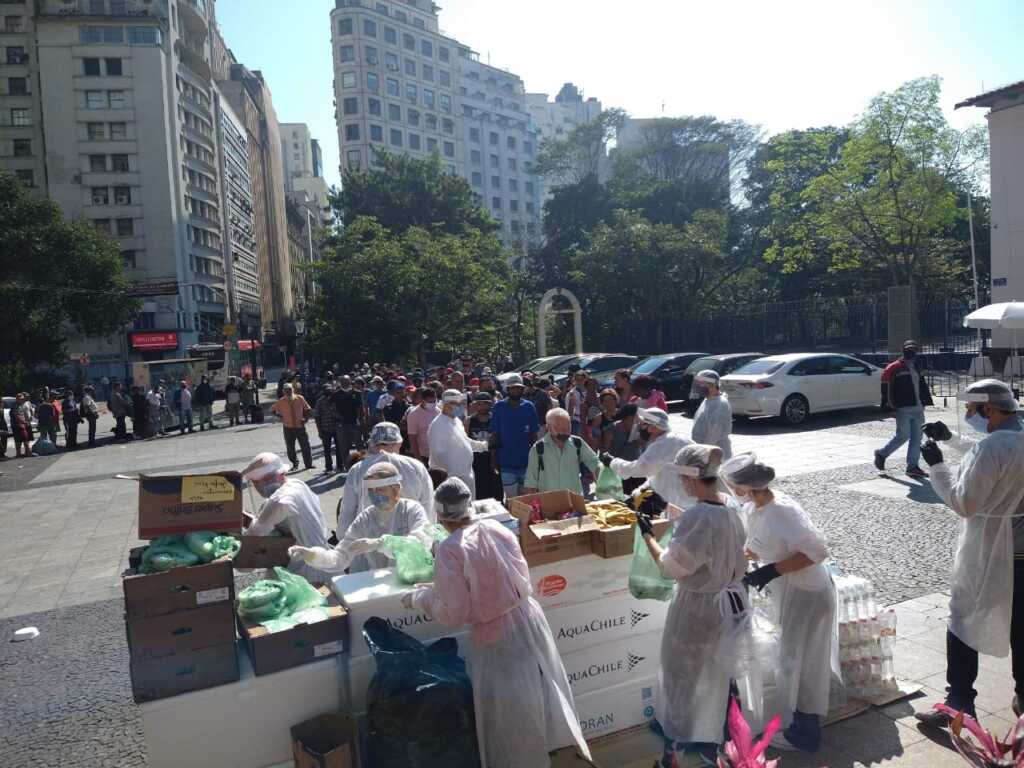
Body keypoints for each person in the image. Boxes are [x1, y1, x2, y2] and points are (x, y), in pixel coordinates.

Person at [403, 478, 591, 768]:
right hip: (529, 619)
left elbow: (453, 613)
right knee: (537, 697)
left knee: (510, 717)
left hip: (499, 636)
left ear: (439, 514)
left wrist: (421, 598)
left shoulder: (449, 550)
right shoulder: (495, 527)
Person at [915, 379, 1024, 728]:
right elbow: (996, 459)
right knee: (1022, 629)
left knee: (962, 621)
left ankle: (959, 703)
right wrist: (951, 440)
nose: (966, 414)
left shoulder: (990, 448)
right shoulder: (1012, 440)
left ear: (988, 409)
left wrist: (936, 466)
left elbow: (964, 502)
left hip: (990, 550)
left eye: (970, 409)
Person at [636, 444, 749, 767]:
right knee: (714, 678)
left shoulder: (699, 516)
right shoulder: (730, 505)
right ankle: (709, 743)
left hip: (698, 608)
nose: (683, 486)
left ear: (691, 480)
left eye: (684, 481)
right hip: (728, 604)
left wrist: (648, 536)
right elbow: (708, 530)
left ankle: (673, 752)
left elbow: (671, 566)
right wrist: (669, 508)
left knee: (680, 677)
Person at [721, 453, 835, 752]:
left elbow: (817, 550)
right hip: (790, 590)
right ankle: (798, 723)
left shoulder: (782, 509)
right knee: (792, 660)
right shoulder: (755, 506)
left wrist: (771, 570)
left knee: (802, 663)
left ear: (746, 486)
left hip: (807, 593)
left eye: (733, 486)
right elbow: (757, 544)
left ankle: (805, 734)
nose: (733, 491)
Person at [291, 463, 431, 574]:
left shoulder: (411, 510)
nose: (375, 495)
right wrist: (313, 556)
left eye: (380, 490)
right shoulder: (367, 517)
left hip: (409, 579)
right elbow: (341, 556)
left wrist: (380, 543)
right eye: (371, 491)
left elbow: (420, 543)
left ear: (395, 489)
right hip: (376, 584)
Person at [241, 452, 331, 582]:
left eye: (256, 483)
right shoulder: (297, 484)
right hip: (322, 557)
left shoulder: (279, 500)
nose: (258, 486)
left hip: (302, 569)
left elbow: (256, 534)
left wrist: (240, 560)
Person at [337, 421, 435, 534]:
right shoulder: (416, 467)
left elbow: (347, 510)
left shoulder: (358, 470)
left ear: (372, 444)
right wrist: (427, 540)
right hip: (409, 544)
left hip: (369, 541)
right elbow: (428, 505)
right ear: (400, 443)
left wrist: (343, 539)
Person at [601, 407, 693, 509]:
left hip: (682, 504)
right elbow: (656, 473)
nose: (639, 428)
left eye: (643, 424)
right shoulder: (675, 439)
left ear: (653, 426)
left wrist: (612, 462)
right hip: (686, 500)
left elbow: (637, 469)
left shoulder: (661, 445)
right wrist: (638, 492)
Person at [875, 340, 933, 479]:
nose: (911, 351)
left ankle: (912, 467)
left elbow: (922, 385)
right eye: (909, 349)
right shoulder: (893, 368)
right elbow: (886, 388)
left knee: (917, 439)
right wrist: (890, 407)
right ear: (903, 350)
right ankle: (882, 454)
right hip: (903, 409)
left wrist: (925, 402)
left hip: (918, 408)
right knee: (903, 436)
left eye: (914, 349)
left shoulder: (916, 367)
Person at [523, 408, 601, 496]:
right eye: (560, 429)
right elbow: (530, 483)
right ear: (548, 427)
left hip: (574, 502)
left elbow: (595, 463)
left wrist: (603, 477)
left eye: (568, 428)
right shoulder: (537, 449)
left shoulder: (577, 443)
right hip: (549, 504)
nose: (565, 432)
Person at [428, 389, 489, 497]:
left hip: (466, 474)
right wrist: (451, 478)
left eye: (461, 403)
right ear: (446, 405)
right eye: (457, 404)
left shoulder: (456, 421)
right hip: (452, 479)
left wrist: (484, 445)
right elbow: (439, 455)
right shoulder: (438, 425)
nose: (461, 407)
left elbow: (465, 442)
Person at [489, 374, 540, 501]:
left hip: (526, 461)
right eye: (513, 388)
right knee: (512, 499)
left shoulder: (529, 406)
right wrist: (493, 459)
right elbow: (495, 434)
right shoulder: (499, 407)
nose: (516, 390)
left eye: (518, 388)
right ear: (507, 389)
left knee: (526, 499)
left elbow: (534, 435)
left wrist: (537, 458)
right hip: (506, 462)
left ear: (522, 389)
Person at [270, 383, 314, 472]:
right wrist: (280, 416)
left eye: (290, 389)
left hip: (300, 427)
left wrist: (305, 419)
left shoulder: (300, 398)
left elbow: (308, 409)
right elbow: (272, 410)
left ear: (292, 390)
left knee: (305, 446)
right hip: (288, 427)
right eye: (286, 390)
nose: (288, 391)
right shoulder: (281, 401)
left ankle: (308, 464)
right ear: (283, 391)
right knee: (290, 447)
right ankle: (295, 463)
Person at [467, 392, 503, 501]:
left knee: (496, 491)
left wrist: (495, 460)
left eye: (485, 403)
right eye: (479, 403)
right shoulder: (469, 421)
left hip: (494, 459)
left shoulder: (496, 420)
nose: (482, 406)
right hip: (476, 461)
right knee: (479, 492)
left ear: (490, 404)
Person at [691, 370, 733, 460]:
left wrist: (702, 454)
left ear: (712, 385)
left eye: (701, 383)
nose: (698, 386)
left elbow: (714, 433)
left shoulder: (720, 404)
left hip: (715, 454)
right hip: (706, 450)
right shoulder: (708, 400)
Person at [313, 382, 341, 474]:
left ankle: (340, 466)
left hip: (337, 428)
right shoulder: (320, 401)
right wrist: (319, 431)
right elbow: (317, 417)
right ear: (323, 391)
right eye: (326, 390)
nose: (328, 391)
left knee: (339, 448)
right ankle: (329, 468)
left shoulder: (337, 399)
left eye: (329, 389)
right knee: (327, 450)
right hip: (325, 429)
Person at [406, 387, 440, 463]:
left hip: (439, 455)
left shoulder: (438, 410)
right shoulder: (414, 414)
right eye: (429, 402)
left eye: (434, 401)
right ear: (422, 400)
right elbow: (412, 438)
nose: (433, 404)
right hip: (424, 456)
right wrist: (418, 459)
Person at [333, 375, 364, 452]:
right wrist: (336, 416)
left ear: (350, 381)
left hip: (354, 422)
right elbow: (332, 407)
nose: (345, 383)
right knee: (343, 446)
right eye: (343, 381)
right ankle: (346, 463)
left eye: (347, 381)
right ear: (340, 382)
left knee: (359, 445)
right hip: (341, 424)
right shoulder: (336, 394)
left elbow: (361, 407)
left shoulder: (357, 393)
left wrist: (361, 419)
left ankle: (362, 462)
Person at [566, 370, 588, 436]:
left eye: (581, 379)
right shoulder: (571, 393)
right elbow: (568, 410)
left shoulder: (589, 391)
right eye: (577, 380)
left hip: (588, 421)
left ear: (585, 379)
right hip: (577, 421)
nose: (579, 382)